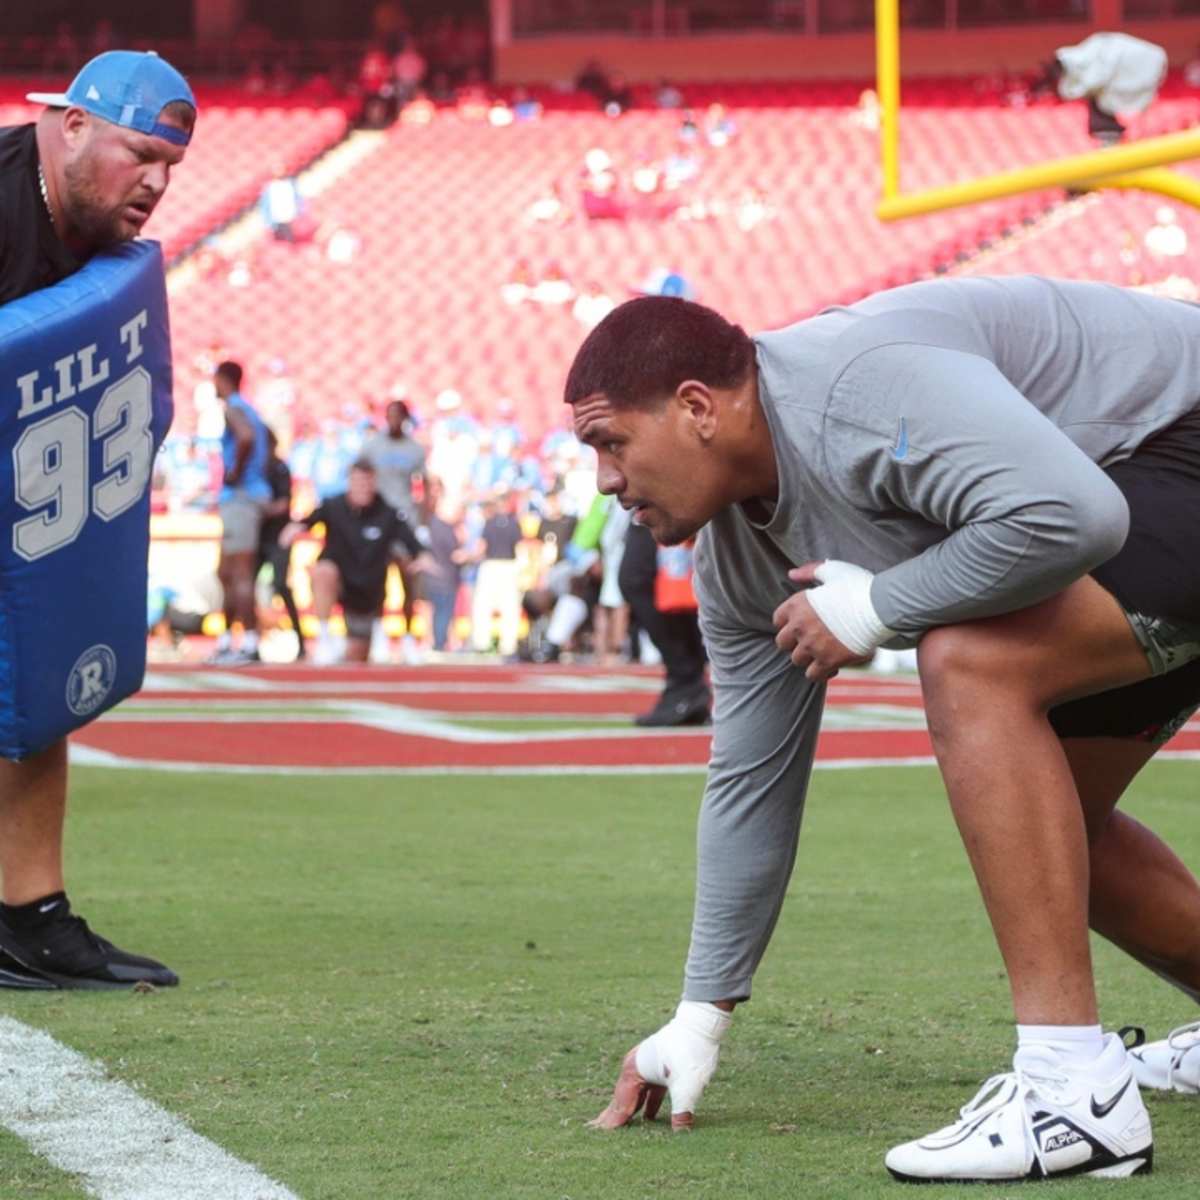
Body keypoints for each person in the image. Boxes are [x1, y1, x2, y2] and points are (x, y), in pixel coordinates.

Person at [566, 278, 1200, 1181]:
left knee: (970, 661)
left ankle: (1071, 1095)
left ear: (698, 408)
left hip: (1174, 443)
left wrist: (882, 609)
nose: (606, 481)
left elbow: (1074, 514)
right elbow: (752, 782)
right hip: (1154, 498)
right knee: (1049, 832)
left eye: (610, 442)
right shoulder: (738, 565)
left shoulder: (856, 387)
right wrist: (699, 1014)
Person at [0, 49, 194, 990]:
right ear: (71, 124)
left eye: (171, 168)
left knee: (40, 659)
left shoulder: (85, 222)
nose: (155, 184)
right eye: (140, 155)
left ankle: (29, 916)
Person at [281, 459, 426, 665]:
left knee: (361, 659)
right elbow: (308, 520)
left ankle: (401, 638)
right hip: (344, 591)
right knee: (323, 571)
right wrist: (295, 527)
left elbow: (412, 543)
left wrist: (423, 558)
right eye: (358, 481)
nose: (363, 487)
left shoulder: (387, 512)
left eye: (367, 482)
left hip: (372, 597)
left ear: (374, 483)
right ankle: (324, 638)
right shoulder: (333, 506)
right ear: (349, 482)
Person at [212, 360, 271, 665]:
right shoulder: (249, 409)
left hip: (241, 497)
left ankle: (248, 642)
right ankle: (226, 641)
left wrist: (235, 472)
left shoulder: (234, 408)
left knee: (239, 572)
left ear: (223, 380)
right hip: (246, 496)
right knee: (224, 572)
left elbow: (245, 437)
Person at [362, 398, 427, 659]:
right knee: (378, 581)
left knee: (409, 580)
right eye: (389, 415)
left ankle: (410, 638)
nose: (393, 421)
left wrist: (422, 523)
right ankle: (379, 635)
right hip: (378, 520)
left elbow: (426, 486)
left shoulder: (414, 449)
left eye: (398, 416)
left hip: (405, 520)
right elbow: (358, 473)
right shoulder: (373, 445)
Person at [258, 429, 306, 661]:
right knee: (243, 584)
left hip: (278, 536)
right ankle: (248, 638)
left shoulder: (278, 468)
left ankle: (300, 640)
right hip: (258, 536)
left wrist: (260, 509)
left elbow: (283, 504)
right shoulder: (253, 468)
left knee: (280, 585)